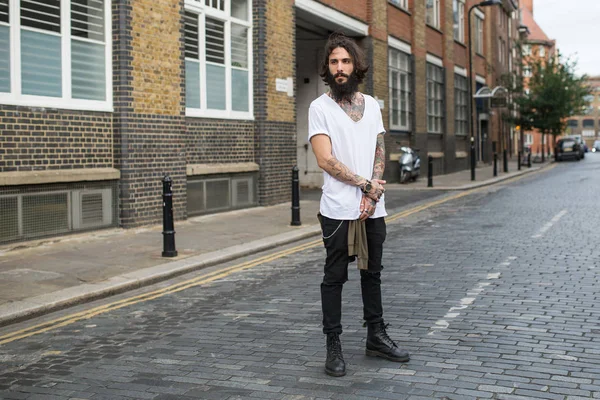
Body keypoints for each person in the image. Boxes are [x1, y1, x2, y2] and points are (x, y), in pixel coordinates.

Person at [308, 32, 410, 377]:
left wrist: (372, 193)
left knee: (373, 274)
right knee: (334, 277)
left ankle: (376, 336)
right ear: (327, 67)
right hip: (337, 209)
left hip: (372, 207)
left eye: (345, 61)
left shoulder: (373, 105)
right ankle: (332, 345)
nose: (340, 68)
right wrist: (364, 184)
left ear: (356, 66)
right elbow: (324, 159)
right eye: (334, 62)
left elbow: (380, 149)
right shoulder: (319, 108)